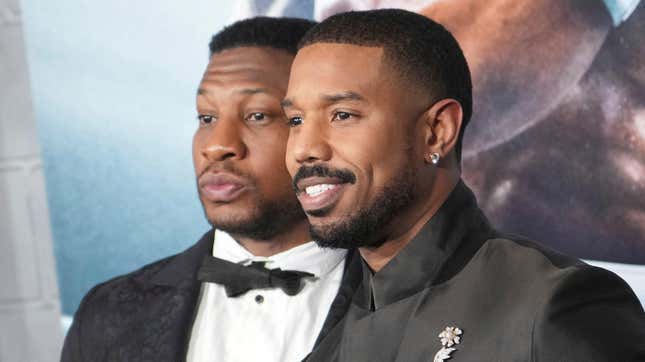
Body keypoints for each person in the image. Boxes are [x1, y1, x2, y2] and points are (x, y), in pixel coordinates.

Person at [282, 9, 645, 361]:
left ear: (437, 132)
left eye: (342, 115)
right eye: (295, 120)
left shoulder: (556, 305)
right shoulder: (329, 335)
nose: (304, 149)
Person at [61, 17, 353, 362]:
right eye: (206, 118)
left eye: (257, 115)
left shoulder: (411, 297)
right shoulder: (108, 312)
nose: (216, 146)